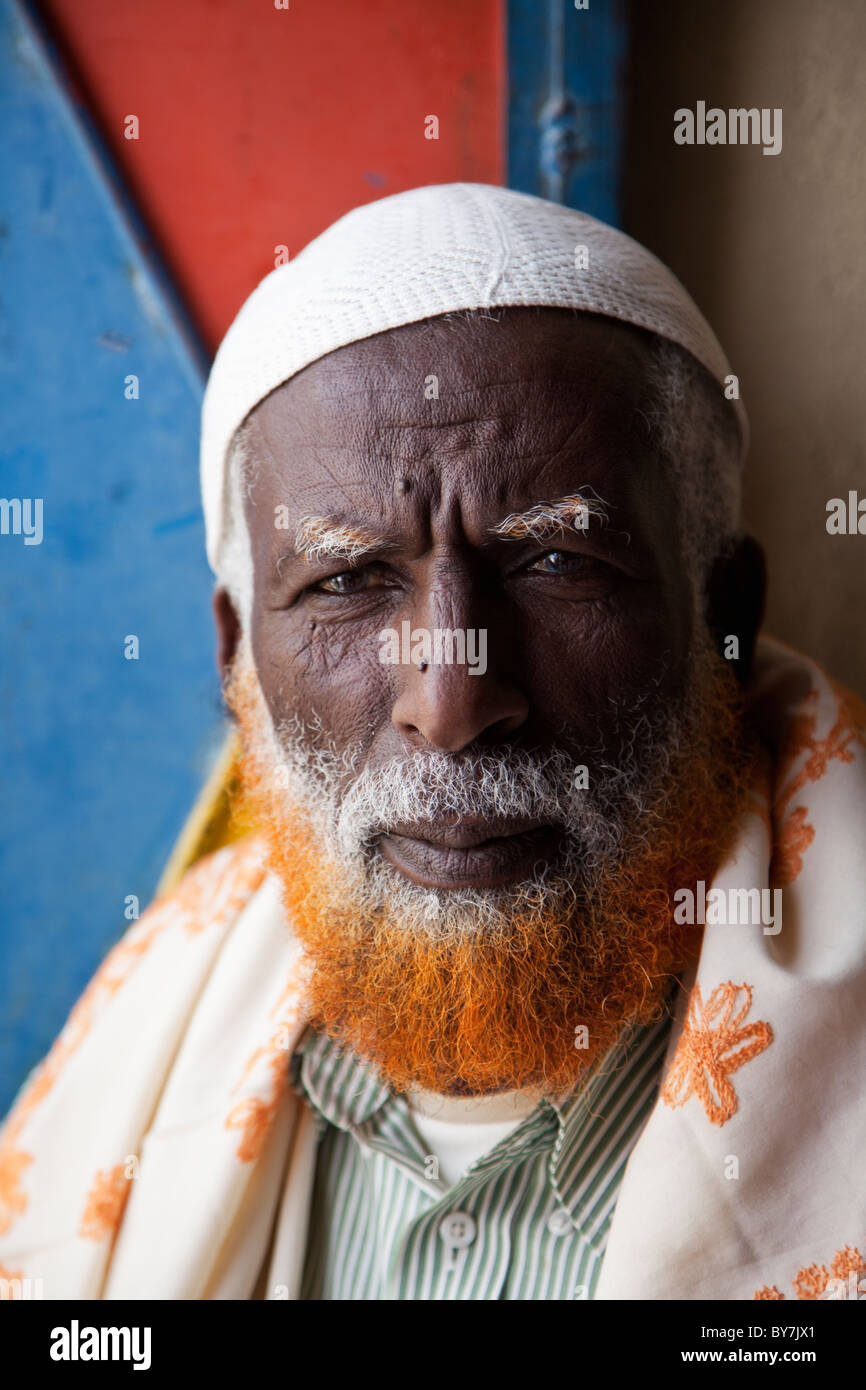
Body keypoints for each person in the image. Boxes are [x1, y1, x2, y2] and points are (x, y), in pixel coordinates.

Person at [1, 184, 864, 1301]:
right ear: (235, 663)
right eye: (348, 580)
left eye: (558, 564)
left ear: (723, 618)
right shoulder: (140, 1028)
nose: (451, 699)